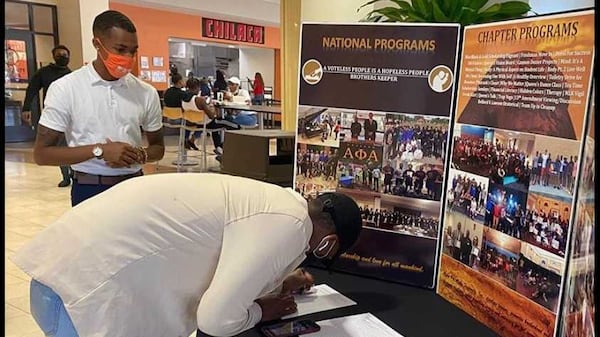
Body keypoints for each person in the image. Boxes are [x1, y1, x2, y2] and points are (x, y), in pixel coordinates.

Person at [10, 173, 363, 337]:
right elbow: (215, 319)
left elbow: (226, 253)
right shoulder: (291, 225)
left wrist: (276, 280)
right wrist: (261, 309)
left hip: (60, 280)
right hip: (84, 303)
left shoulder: (277, 202)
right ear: (327, 243)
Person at [32, 10, 164, 206]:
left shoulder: (146, 92)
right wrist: (99, 150)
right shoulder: (66, 88)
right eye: (120, 49)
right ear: (97, 44)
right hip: (89, 188)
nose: (128, 57)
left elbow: (158, 148)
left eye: (133, 50)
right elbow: (42, 154)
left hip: (134, 185)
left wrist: (140, 155)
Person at [22, 45, 73, 187]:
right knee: (60, 147)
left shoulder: (72, 74)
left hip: (72, 115)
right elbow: (32, 89)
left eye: (65, 54)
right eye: (59, 55)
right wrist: (26, 108)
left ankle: (74, 173)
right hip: (54, 116)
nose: (63, 57)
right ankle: (66, 175)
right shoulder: (44, 73)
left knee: (71, 146)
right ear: (54, 57)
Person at [181, 77, 241, 159]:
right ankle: (222, 146)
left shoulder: (183, 100)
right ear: (198, 87)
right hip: (208, 123)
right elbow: (211, 116)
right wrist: (211, 108)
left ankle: (219, 149)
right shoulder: (199, 100)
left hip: (197, 123)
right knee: (236, 127)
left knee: (216, 130)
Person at [163, 73, 201, 150]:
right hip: (179, 119)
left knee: (187, 120)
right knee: (199, 122)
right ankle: (190, 139)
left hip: (167, 119)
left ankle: (185, 141)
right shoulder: (182, 94)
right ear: (180, 82)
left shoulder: (167, 91)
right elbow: (192, 98)